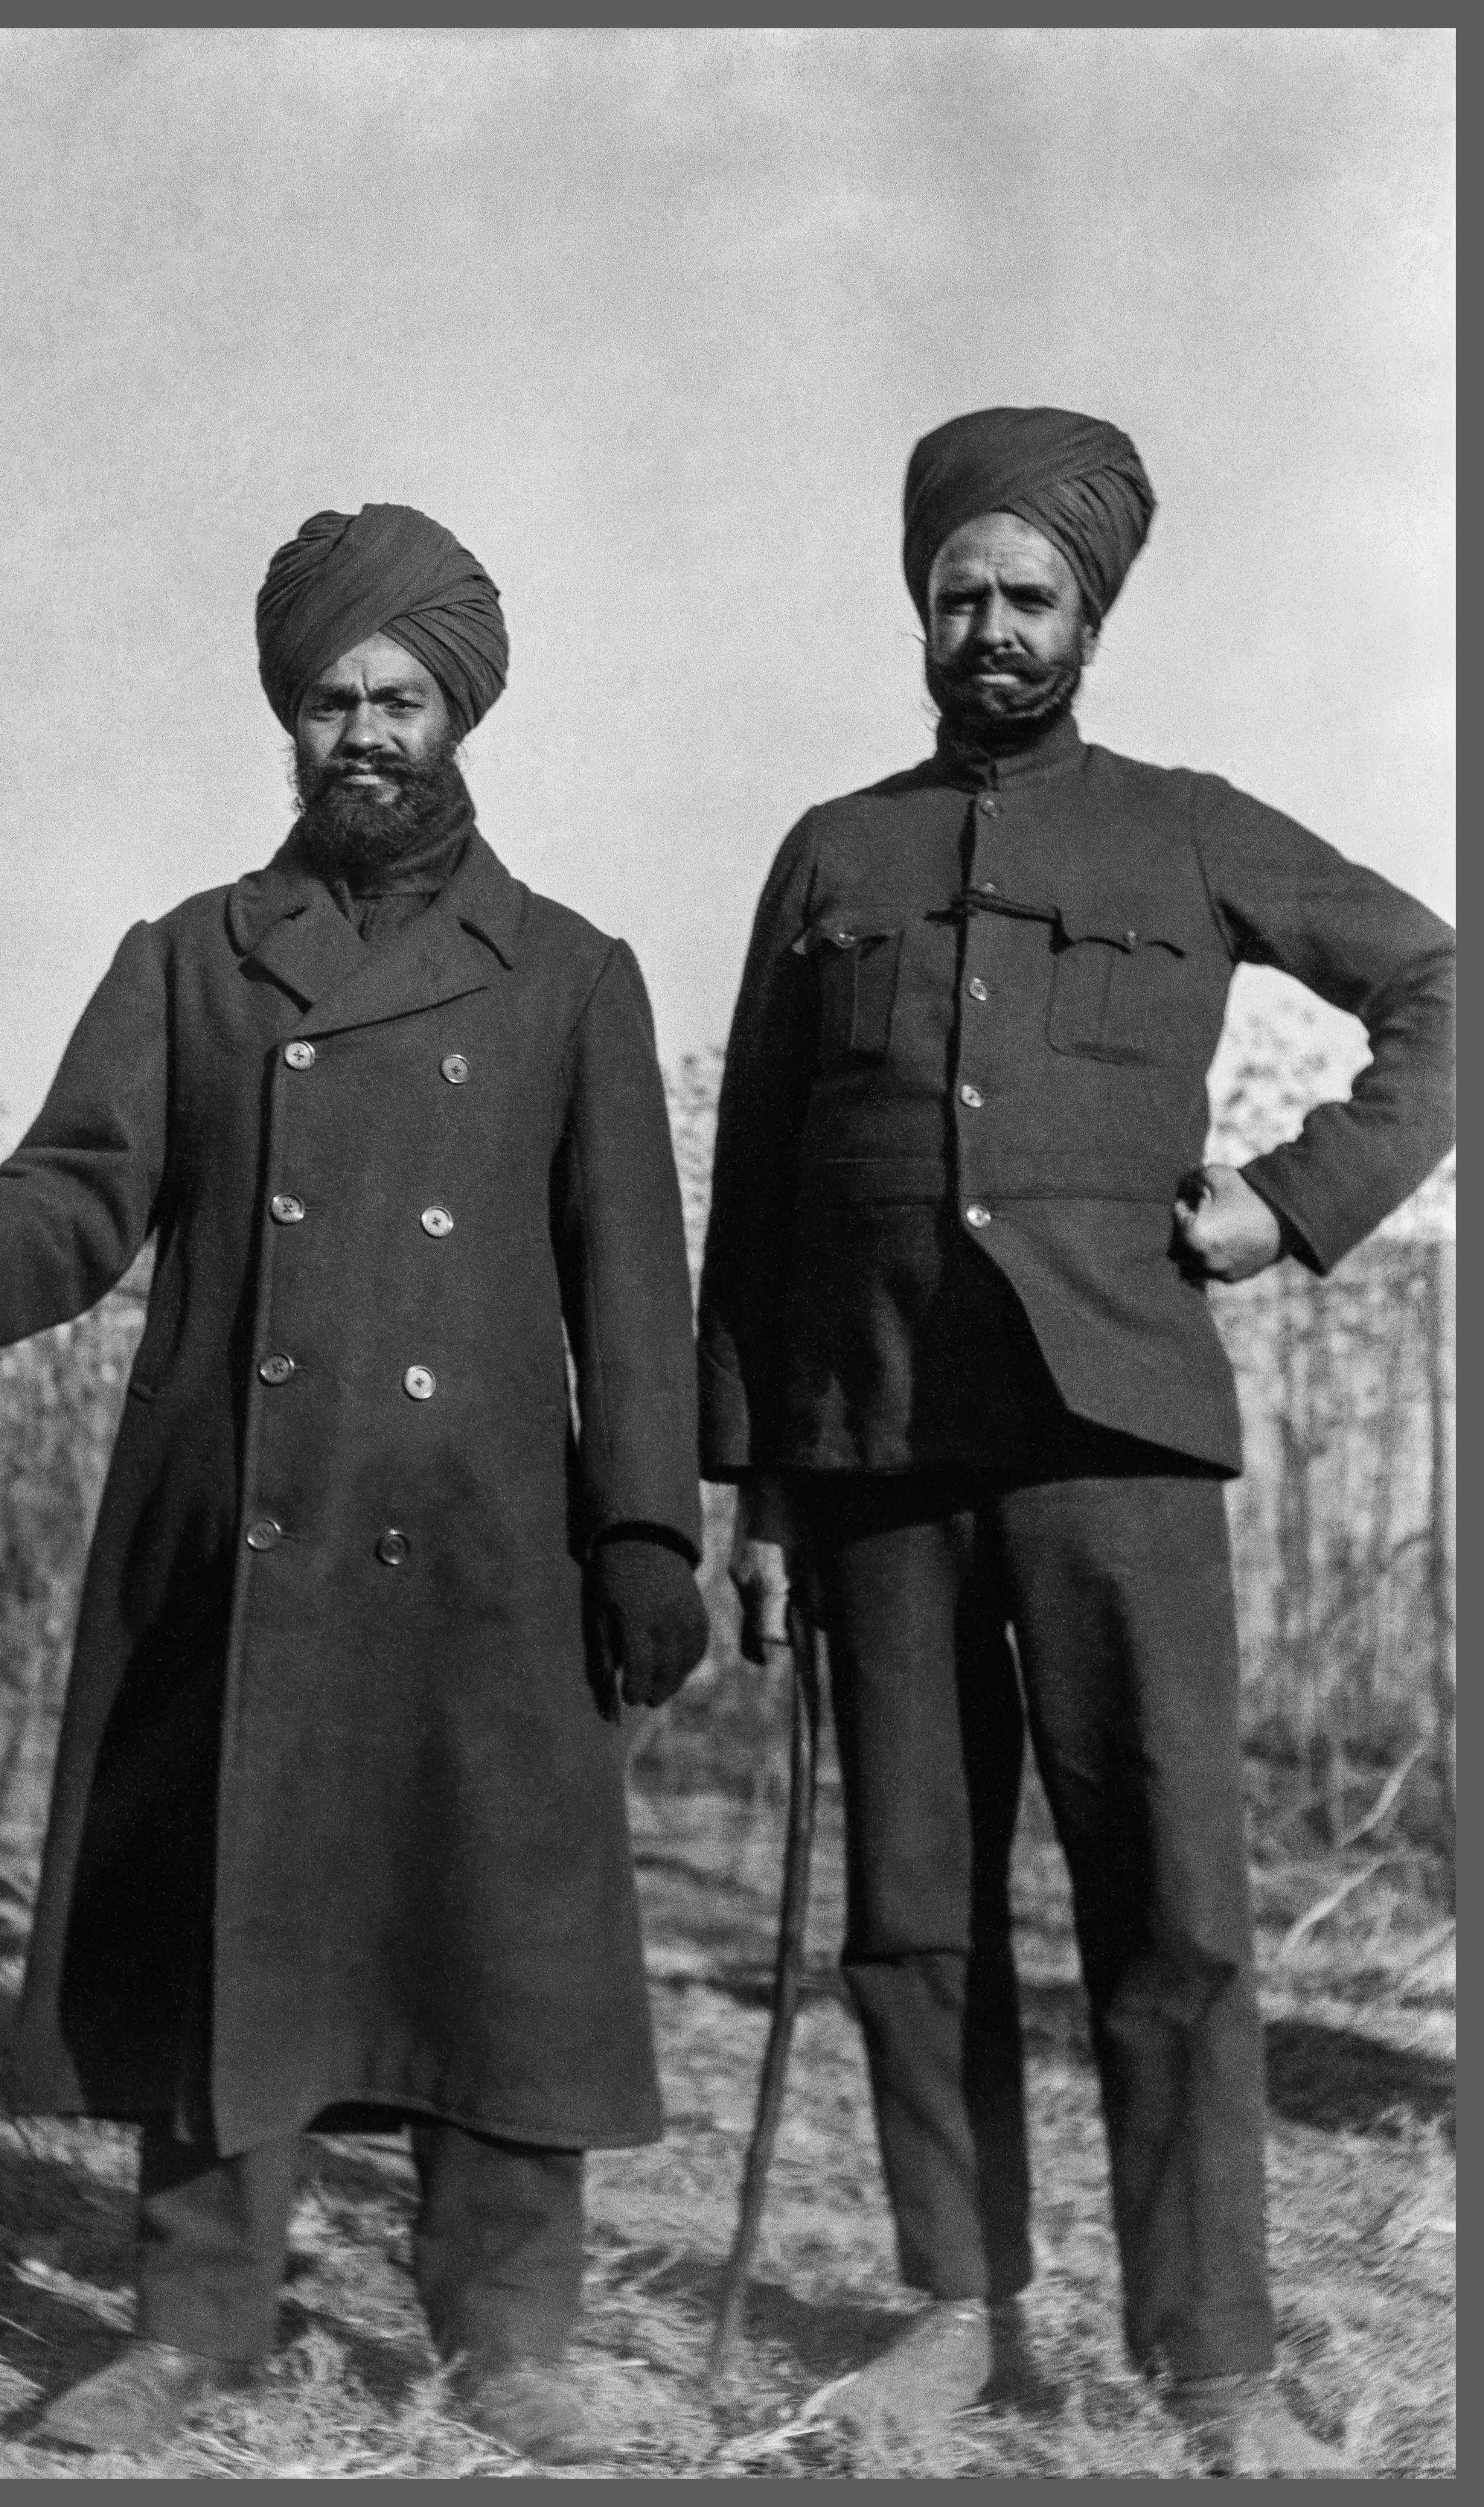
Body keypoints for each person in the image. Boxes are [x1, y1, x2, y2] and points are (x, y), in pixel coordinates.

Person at [0, 501, 709, 2465]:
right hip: (245, 1543)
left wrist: (647, 1529)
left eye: (399, 696)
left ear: (460, 710)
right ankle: (191, 2321)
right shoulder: (194, 961)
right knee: (231, 1925)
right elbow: (80, 1188)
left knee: (493, 1940)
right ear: (288, 717)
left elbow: (631, 1289)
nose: (364, 734)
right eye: (328, 700)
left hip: (487, 1552)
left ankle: (511, 2339)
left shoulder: (570, 973)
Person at [696, 406, 1453, 2476]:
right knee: (911, 1912)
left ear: (1088, 614)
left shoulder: (1188, 829)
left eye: (1028, 597)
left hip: (1115, 1441)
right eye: (958, 593)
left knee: (1177, 1912)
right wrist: (752, 1479)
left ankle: (1209, 2358)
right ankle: (963, 2318)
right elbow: (758, 1183)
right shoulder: (831, 856)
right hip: (874, 1455)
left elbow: (1437, 989)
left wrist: (1287, 1202)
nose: (990, 630)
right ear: (917, 606)